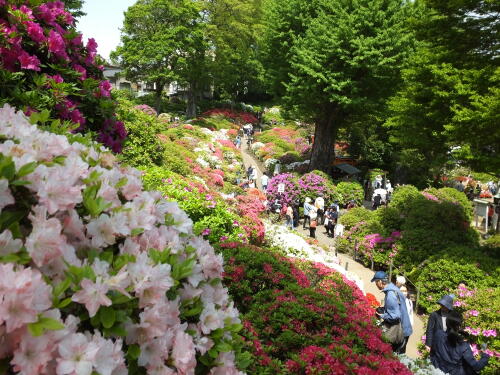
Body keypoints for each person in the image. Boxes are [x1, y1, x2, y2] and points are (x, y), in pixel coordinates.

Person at [431, 310, 490, 375]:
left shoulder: (438, 334)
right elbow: (476, 366)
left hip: (441, 369)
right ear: (459, 326)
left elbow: (433, 353)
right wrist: (485, 355)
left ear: (446, 322)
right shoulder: (463, 345)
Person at [371, 271, 413, 354]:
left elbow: (395, 316)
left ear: (380, 282)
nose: (376, 284)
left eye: (376, 282)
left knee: (395, 358)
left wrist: (382, 315)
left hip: (400, 332)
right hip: (404, 329)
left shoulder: (391, 294)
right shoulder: (394, 289)